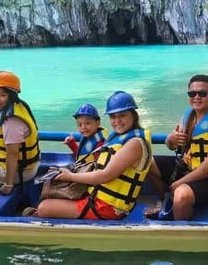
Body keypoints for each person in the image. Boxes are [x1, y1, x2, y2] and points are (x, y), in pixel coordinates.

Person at [36, 91, 152, 220]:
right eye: (113, 117)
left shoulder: (134, 144)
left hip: (107, 207)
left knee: (44, 208)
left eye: (122, 115)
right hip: (97, 197)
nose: (117, 121)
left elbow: (105, 176)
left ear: (134, 115)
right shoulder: (121, 138)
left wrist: (71, 176)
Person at [149, 74, 208, 221]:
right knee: (148, 162)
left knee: (181, 193)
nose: (197, 97)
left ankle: (181, 230)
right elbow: (173, 147)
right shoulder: (189, 115)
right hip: (189, 168)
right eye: (192, 93)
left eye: (202, 93)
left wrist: (179, 183)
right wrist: (170, 140)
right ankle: (168, 205)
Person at [0, 71, 40, 204]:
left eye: (2, 95)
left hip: (17, 173)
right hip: (27, 167)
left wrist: (9, 184)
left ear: (11, 95)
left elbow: (12, 154)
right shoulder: (20, 106)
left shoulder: (11, 121)